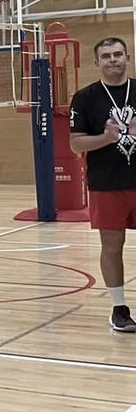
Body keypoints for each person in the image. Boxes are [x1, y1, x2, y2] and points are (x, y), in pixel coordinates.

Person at [68, 35, 136, 333]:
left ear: (127, 58)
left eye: (118, 54)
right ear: (97, 62)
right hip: (106, 184)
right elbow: (75, 144)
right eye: (106, 56)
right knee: (112, 245)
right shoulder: (85, 98)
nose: (113, 60)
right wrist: (107, 138)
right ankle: (119, 309)